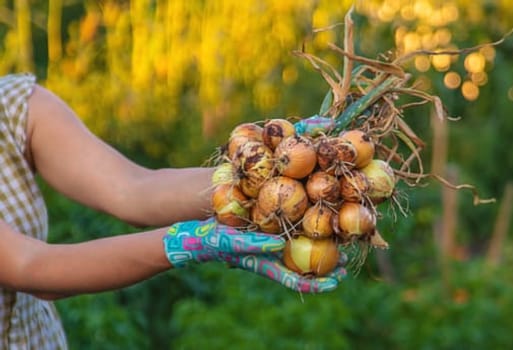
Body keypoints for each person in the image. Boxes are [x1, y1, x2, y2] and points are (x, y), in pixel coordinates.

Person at [0, 73, 347, 347]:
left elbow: (133, 189)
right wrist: (190, 242)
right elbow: (31, 267)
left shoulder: (15, 105)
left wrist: (263, 175)